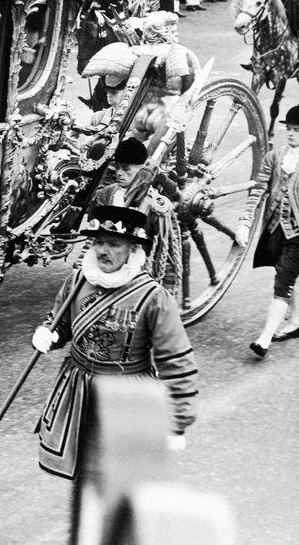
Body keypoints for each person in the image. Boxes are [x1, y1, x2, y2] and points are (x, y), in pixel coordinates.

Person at [32, 205, 198, 479]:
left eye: (113, 243)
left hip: (127, 395)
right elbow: (60, 322)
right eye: (97, 242)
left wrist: (177, 422)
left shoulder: (154, 297)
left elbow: (176, 362)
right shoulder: (77, 280)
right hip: (79, 392)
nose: (102, 251)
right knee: (86, 474)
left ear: (132, 249)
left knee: (122, 479)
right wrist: (50, 334)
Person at [238, 105, 299, 357]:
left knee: (283, 281)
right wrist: (245, 220)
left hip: (298, 233)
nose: (292, 134)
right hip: (275, 228)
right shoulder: (275, 156)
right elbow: (259, 189)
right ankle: (295, 321)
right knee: (289, 272)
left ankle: (264, 339)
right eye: (290, 129)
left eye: (298, 130)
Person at [90, 137, 181, 296]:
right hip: (105, 272)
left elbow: (168, 259)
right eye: (117, 168)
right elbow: (94, 241)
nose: (119, 174)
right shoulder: (106, 194)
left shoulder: (157, 206)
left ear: (142, 170)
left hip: (139, 278)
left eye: (126, 169)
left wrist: (167, 296)